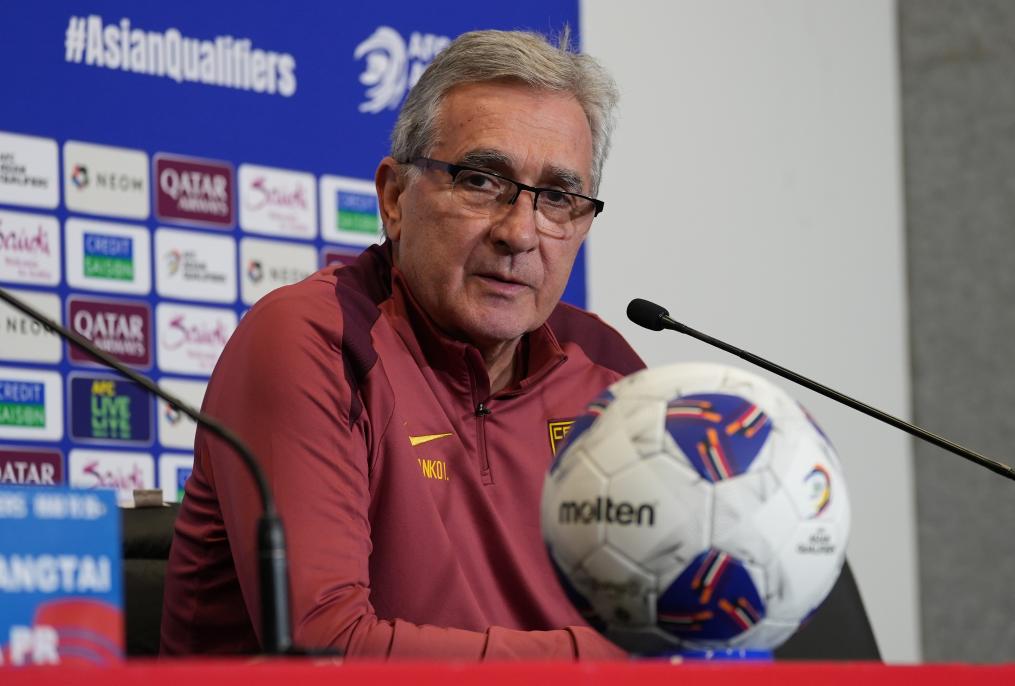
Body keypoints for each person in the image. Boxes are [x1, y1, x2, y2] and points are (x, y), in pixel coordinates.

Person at [160, 29, 644, 660]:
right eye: (481, 181)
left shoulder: (608, 373)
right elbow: (325, 647)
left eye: (557, 197)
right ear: (394, 198)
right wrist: (612, 663)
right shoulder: (319, 339)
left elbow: (687, 619)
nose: (520, 233)